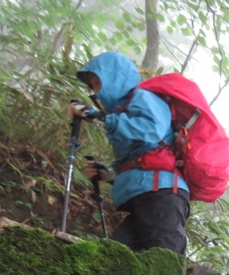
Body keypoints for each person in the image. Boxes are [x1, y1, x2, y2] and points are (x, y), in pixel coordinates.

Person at [70, 51, 190, 255]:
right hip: (146, 195)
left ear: (113, 78)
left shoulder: (142, 97)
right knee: (115, 259)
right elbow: (140, 160)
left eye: (97, 83)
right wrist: (107, 175)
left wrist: (99, 117)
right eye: (92, 86)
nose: (95, 91)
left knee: (166, 261)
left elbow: (152, 130)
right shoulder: (122, 113)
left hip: (163, 194)